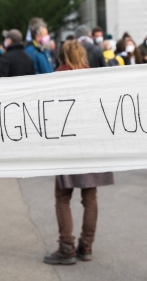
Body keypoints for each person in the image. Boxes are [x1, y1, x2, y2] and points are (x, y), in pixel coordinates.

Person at [44, 40, 114, 265]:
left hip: (67, 144)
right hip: (93, 144)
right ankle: (86, 245)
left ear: (62, 55)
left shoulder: (56, 78)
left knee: (62, 197)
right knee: (90, 197)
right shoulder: (93, 78)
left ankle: (66, 247)